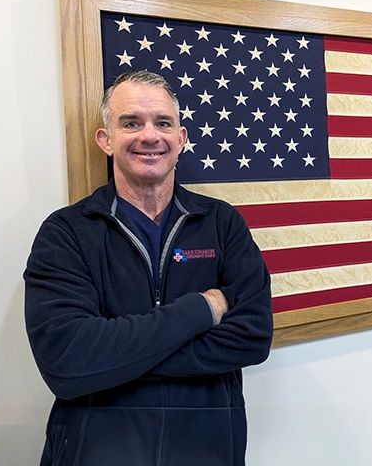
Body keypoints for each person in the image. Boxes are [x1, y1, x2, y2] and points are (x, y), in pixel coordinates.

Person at [24, 70, 273, 466]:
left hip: (207, 448)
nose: (149, 136)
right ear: (105, 140)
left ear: (181, 139)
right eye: (131, 123)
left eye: (162, 123)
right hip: (97, 449)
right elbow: (66, 361)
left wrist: (113, 355)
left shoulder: (222, 224)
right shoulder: (66, 232)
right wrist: (202, 309)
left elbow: (254, 337)